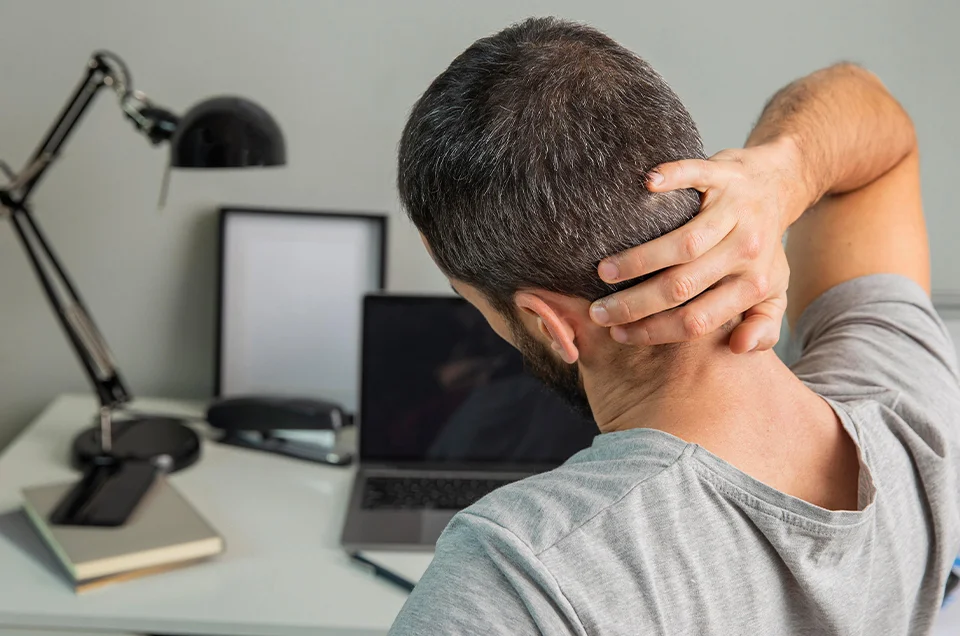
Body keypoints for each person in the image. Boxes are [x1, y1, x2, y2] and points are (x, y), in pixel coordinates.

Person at [390, 16, 960, 635]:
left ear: (548, 323)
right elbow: (873, 117)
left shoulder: (522, 575)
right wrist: (780, 176)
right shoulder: (910, 405)